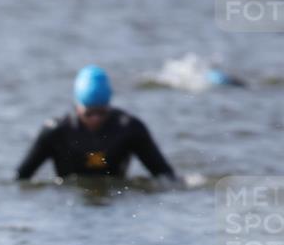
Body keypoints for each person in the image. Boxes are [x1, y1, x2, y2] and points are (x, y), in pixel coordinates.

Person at [17, 65, 176, 181]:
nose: (95, 119)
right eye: (89, 113)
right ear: (77, 107)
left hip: (114, 200)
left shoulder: (129, 128)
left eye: (101, 112)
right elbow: (21, 178)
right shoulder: (56, 131)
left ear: (109, 106)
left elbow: (164, 175)